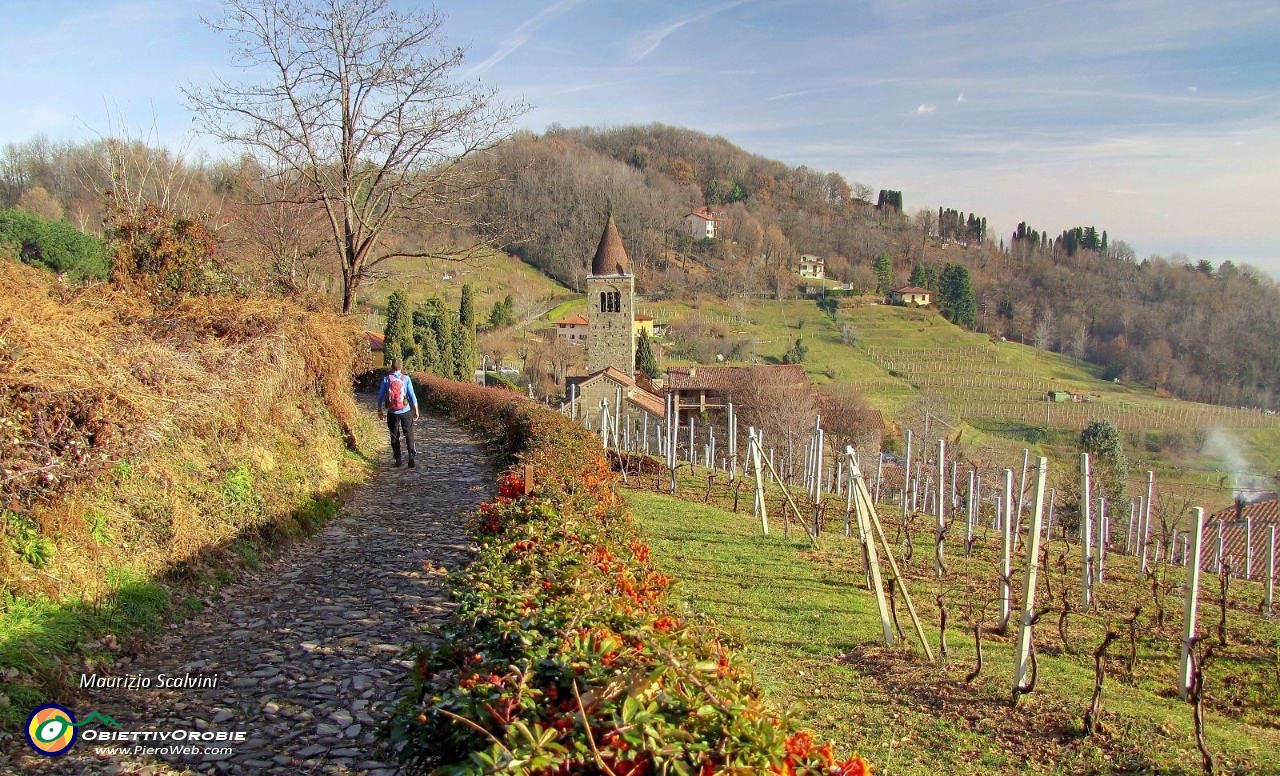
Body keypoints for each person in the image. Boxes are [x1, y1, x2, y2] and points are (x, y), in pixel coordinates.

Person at [376, 359, 420, 467]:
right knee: (409, 433)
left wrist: (379, 409)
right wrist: (416, 409)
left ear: (392, 367)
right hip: (405, 410)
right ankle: (411, 457)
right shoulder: (406, 379)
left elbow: (380, 395)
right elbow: (412, 395)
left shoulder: (387, 379)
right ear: (401, 367)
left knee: (394, 435)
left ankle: (398, 459)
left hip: (392, 412)